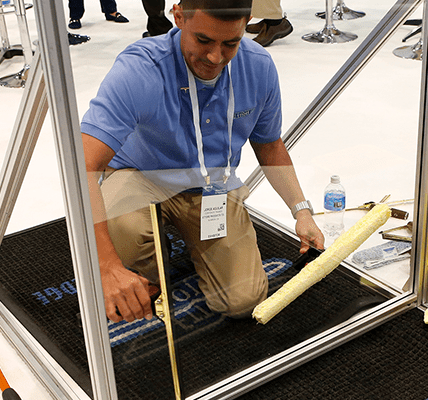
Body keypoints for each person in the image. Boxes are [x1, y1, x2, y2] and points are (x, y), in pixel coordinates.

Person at [81, 0, 324, 323]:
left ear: (246, 23)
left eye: (230, 43)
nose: (215, 57)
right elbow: (82, 166)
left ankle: (183, 241)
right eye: (204, 40)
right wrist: (107, 267)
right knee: (125, 234)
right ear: (178, 16)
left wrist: (301, 211)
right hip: (140, 176)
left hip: (212, 186)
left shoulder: (259, 67)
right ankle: (147, 260)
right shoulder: (139, 70)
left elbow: (269, 145)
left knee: (242, 300)